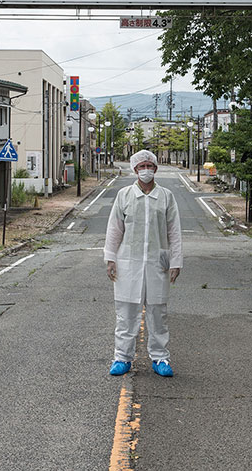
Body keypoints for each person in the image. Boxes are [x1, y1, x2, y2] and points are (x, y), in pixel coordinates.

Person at [104, 149, 182, 377]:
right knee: (126, 314)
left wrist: (176, 261)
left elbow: (174, 231)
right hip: (128, 262)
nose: (145, 170)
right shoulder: (124, 195)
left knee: (158, 313)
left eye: (149, 165)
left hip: (158, 262)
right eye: (141, 166)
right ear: (135, 170)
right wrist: (110, 257)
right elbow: (114, 229)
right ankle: (122, 357)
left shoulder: (166, 196)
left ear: (155, 169)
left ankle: (160, 358)